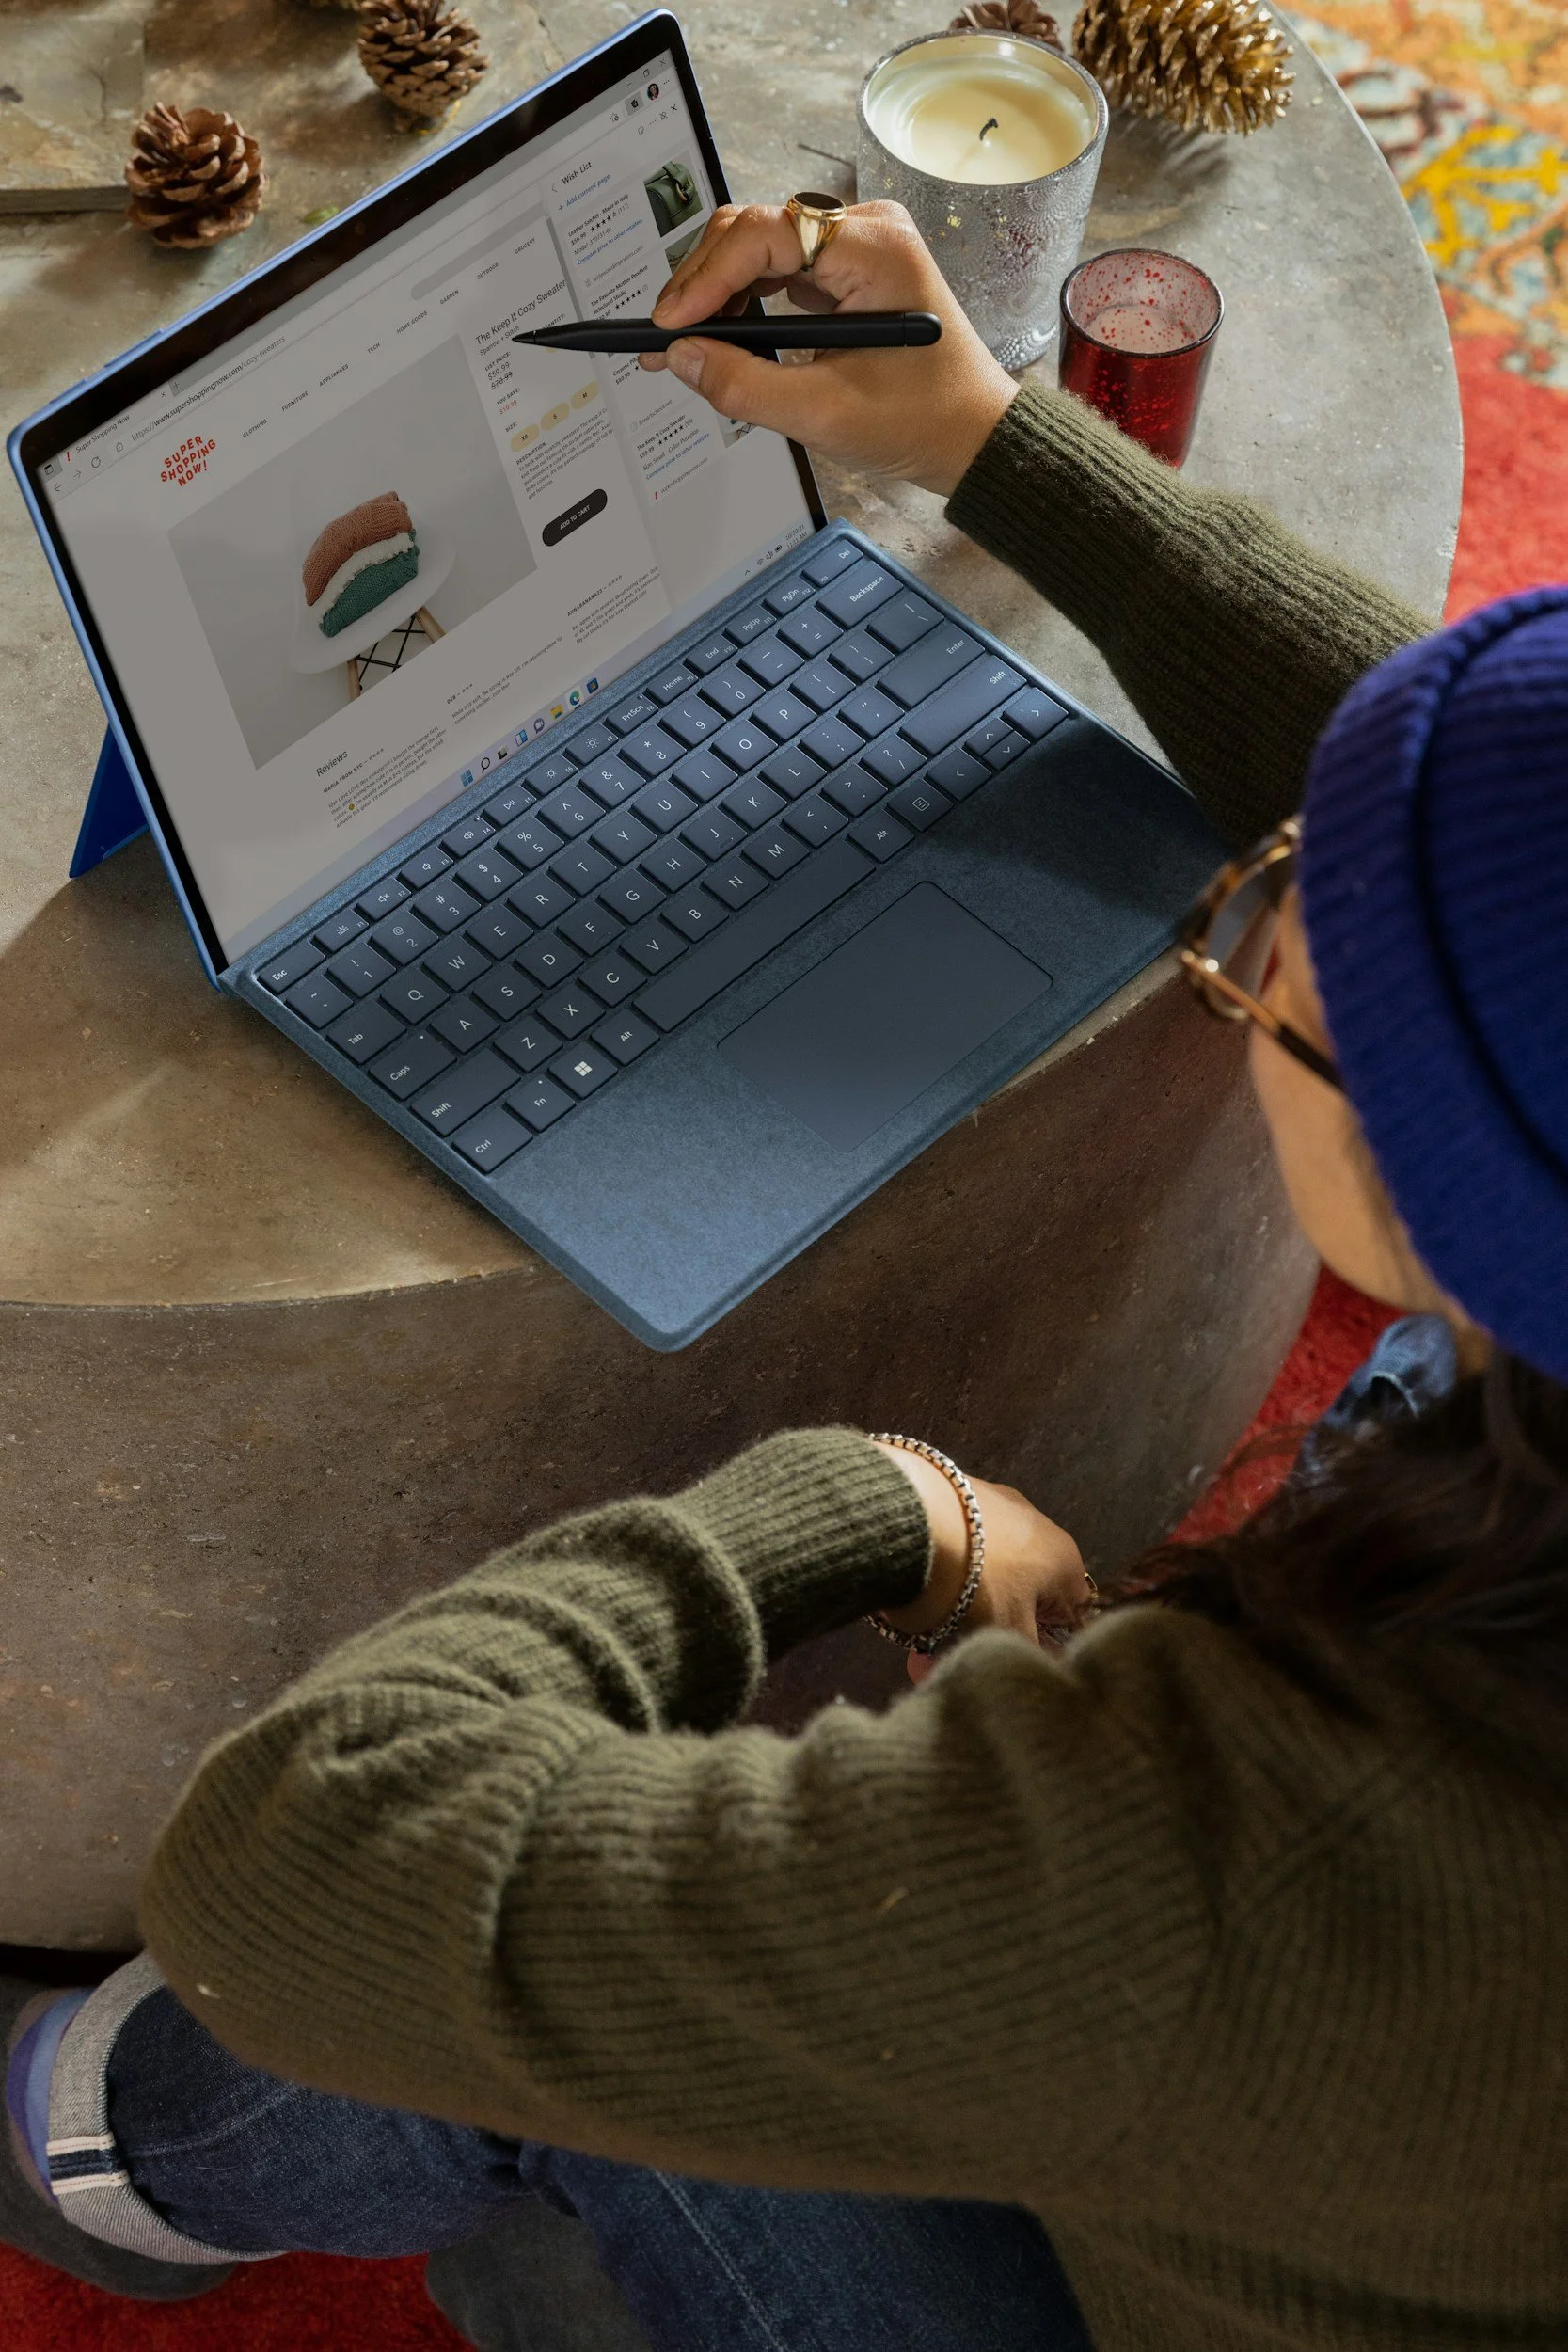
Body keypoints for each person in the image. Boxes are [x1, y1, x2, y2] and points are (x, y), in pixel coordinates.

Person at [5, 199, 1567, 2352]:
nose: (1277, 903)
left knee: (562, 2017)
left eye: (1278, 954)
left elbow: (295, 1872)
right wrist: (988, 435)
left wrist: (856, 1496)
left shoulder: (1263, 1848)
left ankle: (88, 2144)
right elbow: (1480, 851)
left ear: (1410, 1164)